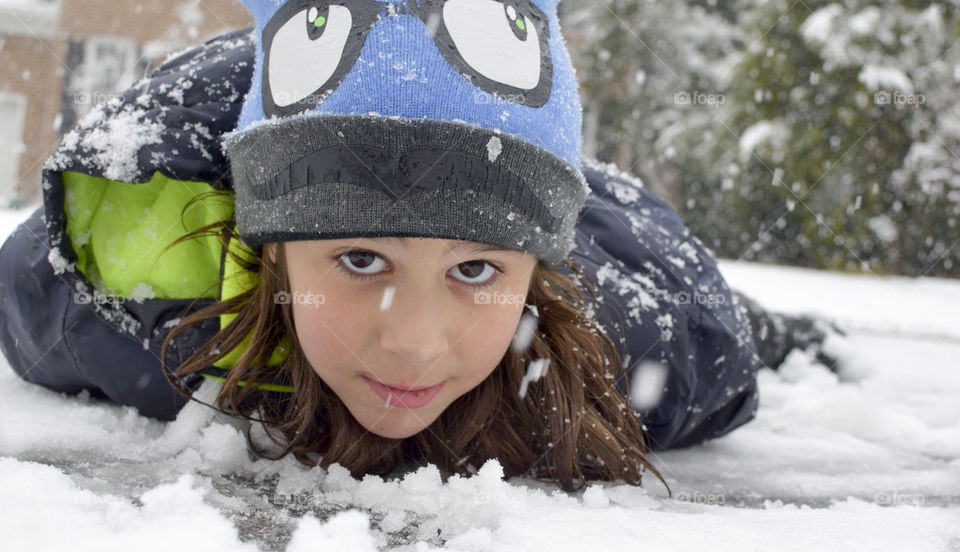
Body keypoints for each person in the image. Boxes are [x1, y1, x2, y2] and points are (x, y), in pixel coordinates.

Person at [0, 0, 840, 492]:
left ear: (535, 277)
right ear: (270, 253)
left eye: (475, 269)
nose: (413, 341)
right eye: (361, 260)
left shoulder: (644, 346)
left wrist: (785, 335)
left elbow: (719, 332)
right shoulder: (116, 313)